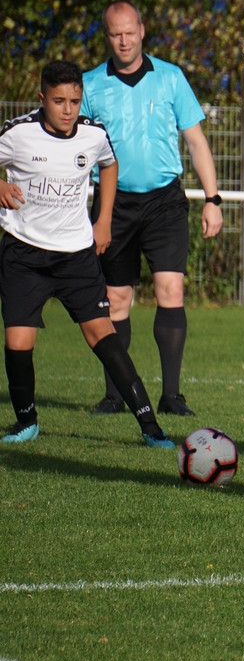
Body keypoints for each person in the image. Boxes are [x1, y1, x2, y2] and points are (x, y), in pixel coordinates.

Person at [0, 60, 173, 448]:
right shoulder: (18, 134)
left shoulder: (93, 135)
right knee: (18, 342)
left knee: (103, 335)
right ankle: (26, 422)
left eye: (74, 102)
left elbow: (109, 164)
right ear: (42, 98)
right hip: (24, 255)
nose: (67, 110)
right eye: (58, 101)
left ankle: (151, 428)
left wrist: (104, 219)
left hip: (76, 256)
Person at [81, 0, 223, 418]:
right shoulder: (90, 85)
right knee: (116, 298)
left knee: (171, 290)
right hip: (114, 204)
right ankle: (115, 395)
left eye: (130, 32)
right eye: (115, 34)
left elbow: (196, 142)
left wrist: (212, 199)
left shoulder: (171, 77)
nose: (124, 41)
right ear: (107, 36)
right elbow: (76, 150)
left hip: (165, 201)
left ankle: (172, 396)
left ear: (142, 31)